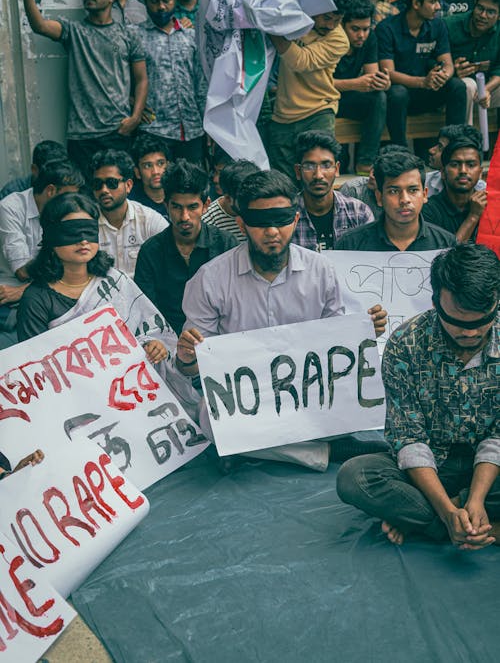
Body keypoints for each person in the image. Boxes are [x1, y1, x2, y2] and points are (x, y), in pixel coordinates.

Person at [176, 169, 388, 471]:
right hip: (248, 397)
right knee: (210, 419)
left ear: (296, 220)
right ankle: (325, 451)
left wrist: (363, 331)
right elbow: (194, 366)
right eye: (261, 222)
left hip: (307, 392)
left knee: (347, 405)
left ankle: (252, 449)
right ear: (242, 224)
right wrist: (186, 357)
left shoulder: (322, 270)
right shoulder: (210, 279)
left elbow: (336, 347)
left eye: (282, 220)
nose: (272, 232)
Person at [337, 243, 500, 550]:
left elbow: (498, 436)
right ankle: (469, 525)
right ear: (436, 302)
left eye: (480, 322)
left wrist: (474, 498)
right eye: (458, 322)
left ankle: (436, 524)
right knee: (354, 477)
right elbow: (409, 439)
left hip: (492, 472)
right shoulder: (406, 343)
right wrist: (447, 510)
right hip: (431, 466)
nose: (469, 333)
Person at [16, 192, 197, 415]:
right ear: (52, 237)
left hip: (135, 397)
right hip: (77, 408)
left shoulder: (115, 281)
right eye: (72, 232)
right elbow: (37, 371)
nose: (83, 240)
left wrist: (154, 346)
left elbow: (150, 332)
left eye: (89, 231)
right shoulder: (36, 299)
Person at [21, 0, 148, 177]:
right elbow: (39, 25)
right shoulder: (74, 31)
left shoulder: (127, 35)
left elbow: (141, 78)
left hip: (117, 131)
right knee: (85, 199)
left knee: (118, 192)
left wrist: (135, 117)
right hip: (82, 136)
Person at [134, 160, 238, 335]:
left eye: (192, 207)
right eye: (176, 207)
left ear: (205, 206)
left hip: (219, 341)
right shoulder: (150, 252)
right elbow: (145, 311)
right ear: (166, 206)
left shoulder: (226, 244)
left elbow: (238, 303)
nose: (185, 217)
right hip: (167, 342)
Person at [0, 161, 84, 348]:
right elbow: (22, 271)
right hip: (10, 293)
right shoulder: (11, 208)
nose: (72, 203)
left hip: (44, 290)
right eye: (68, 196)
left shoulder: (66, 212)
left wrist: (24, 292)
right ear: (51, 191)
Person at [268, 0, 350, 179]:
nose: (331, 25)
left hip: (318, 111)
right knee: (283, 183)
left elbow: (300, 61)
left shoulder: (339, 39)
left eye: (337, 20)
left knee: (317, 179)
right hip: (282, 115)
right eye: (327, 18)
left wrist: (270, 27)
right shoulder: (291, 18)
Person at [377, 0, 467, 147]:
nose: (438, 6)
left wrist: (442, 76)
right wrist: (422, 82)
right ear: (416, 3)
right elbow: (388, 73)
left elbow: (448, 63)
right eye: (432, 2)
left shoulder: (437, 25)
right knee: (398, 93)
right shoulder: (387, 28)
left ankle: (454, 146)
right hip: (398, 96)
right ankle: (401, 150)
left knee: (457, 86)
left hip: (426, 91)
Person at [336, 150, 457, 251]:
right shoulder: (350, 245)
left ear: (425, 194)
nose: (404, 200)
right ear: (379, 197)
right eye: (394, 191)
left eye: (413, 190)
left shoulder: (446, 244)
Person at [137, 0, 207, 164]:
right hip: (155, 130)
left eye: (166, 1)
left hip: (192, 129)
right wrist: (133, 102)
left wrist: (208, 124)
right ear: (145, 2)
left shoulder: (190, 35)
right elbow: (122, 77)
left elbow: (201, 84)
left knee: (192, 184)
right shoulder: (134, 35)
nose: (161, 7)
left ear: (175, 0)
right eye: (154, 1)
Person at [334, 0, 391, 174]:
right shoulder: (333, 40)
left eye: (366, 29)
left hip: (349, 98)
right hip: (326, 98)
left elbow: (372, 74)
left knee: (380, 97)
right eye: (355, 29)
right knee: (340, 161)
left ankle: (366, 162)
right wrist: (355, 84)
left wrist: (383, 82)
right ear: (342, 25)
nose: (361, 35)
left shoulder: (369, 39)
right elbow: (318, 84)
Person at [292, 130, 375, 252]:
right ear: (298, 171)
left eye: (326, 165)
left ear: (336, 169)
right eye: (309, 166)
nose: (318, 175)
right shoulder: (287, 215)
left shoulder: (359, 213)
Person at [90, 150, 166, 278]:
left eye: (111, 183)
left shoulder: (150, 220)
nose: (104, 190)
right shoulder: (87, 223)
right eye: (98, 184)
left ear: (128, 185)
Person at [445, 0, 500, 123]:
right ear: (474, 5)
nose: (483, 15)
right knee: (468, 86)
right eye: (480, 8)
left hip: (488, 89)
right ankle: (464, 140)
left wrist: (486, 89)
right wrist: (451, 70)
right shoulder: (449, 25)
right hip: (455, 90)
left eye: (490, 12)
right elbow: (431, 61)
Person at [423, 137, 487, 241]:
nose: (463, 171)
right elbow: (446, 255)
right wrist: (473, 216)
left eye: (471, 165)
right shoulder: (429, 210)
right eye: (455, 164)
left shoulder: (489, 205)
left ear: (480, 172)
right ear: (443, 172)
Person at [339, 144, 410, 219]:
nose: (371, 175)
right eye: (374, 167)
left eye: (381, 172)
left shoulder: (409, 199)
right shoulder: (353, 190)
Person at [202, 159, 259, 242]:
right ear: (228, 198)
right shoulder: (208, 222)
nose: (251, 202)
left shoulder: (260, 209)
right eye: (244, 199)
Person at [425, 123, 485, 196]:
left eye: (440, 147)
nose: (431, 150)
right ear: (443, 171)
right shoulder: (423, 183)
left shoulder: (484, 192)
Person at [0, 140, 68, 201]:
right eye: (52, 171)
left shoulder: (67, 187)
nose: (58, 176)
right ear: (34, 169)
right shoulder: (12, 193)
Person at [130, 135, 171, 218]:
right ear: (137, 172)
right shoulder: (130, 203)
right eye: (148, 166)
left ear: (169, 166)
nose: (155, 172)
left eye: (160, 163)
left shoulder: (181, 193)